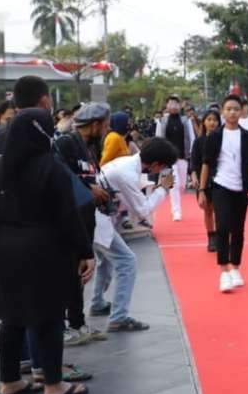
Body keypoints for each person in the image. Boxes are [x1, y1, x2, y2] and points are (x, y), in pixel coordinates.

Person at [0, 110, 96, 394]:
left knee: (11, 316)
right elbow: (68, 215)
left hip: (5, 248)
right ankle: (53, 384)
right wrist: (85, 251)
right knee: (49, 315)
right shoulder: (50, 167)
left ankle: (9, 381)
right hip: (44, 248)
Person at [92, 139, 179, 333]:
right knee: (127, 261)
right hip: (97, 219)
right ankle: (118, 317)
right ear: (157, 164)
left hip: (99, 217)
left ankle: (97, 302)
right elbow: (142, 210)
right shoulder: (127, 173)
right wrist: (163, 189)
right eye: (164, 167)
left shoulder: (126, 164)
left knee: (105, 261)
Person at [54, 102, 111, 346]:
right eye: (105, 125)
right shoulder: (67, 143)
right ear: (95, 124)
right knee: (70, 271)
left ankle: (78, 323)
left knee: (80, 272)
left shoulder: (90, 146)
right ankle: (69, 325)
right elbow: (61, 175)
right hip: (71, 218)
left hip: (87, 216)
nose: (107, 129)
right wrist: (90, 188)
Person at [198, 95, 248, 292]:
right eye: (229, 109)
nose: (232, 112)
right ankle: (224, 270)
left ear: (242, 112)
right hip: (220, 186)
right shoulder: (215, 136)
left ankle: (235, 267)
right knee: (222, 226)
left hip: (241, 188)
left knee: (238, 230)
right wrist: (202, 189)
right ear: (223, 112)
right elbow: (206, 164)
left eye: (236, 109)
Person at [155, 95, 196, 221]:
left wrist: (192, 153)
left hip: (182, 156)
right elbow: (158, 139)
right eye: (171, 103)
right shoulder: (162, 121)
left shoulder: (185, 121)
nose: (173, 106)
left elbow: (191, 137)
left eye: (176, 103)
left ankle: (176, 206)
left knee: (182, 185)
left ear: (180, 106)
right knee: (174, 184)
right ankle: (176, 211)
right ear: (167, 106)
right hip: (168, 158)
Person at [189, 108, 221, 251]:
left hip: (220, 178)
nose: (212, 123)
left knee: (220, 210)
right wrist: (194, 176)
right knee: (207, 210)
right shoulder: (198, 142)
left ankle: (221, 237)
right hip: (203, 180)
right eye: (209, 120)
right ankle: (211, 237)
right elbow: (194, 163)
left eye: (215, 120)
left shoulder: (223, 140)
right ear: (204, 122)